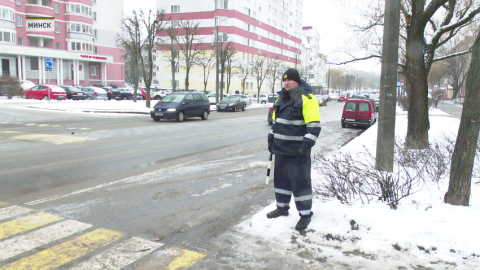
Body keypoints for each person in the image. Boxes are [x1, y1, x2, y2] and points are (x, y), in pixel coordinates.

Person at [267, 68, 321, 231]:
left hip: (298, 152)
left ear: (297, 81)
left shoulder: (307, 99)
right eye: (284, 80)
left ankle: (305, 215)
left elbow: (314, 126)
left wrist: (306, 146)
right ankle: (282, 207)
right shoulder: (281, 99)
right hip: (281, 150)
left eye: (289, 80)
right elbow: (276, 123)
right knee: (281, 181)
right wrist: (271, 138)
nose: (286, 83)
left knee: (300, 184)